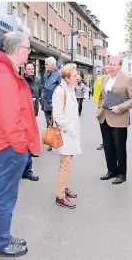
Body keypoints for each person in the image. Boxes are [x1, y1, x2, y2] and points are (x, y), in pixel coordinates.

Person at [0, 32, 41, 257]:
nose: (29, 52)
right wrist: (21, 146)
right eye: (28, 48)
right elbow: (10, 116)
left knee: (5, 195)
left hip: (1, 143)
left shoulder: (0, 69)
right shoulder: (3, 73)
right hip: (6, 146)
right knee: (5, 196)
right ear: (18, 49)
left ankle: (1, 236)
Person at [97, 56, 132, 185]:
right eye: (109, 64)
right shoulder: (104, 78)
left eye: (114, 64)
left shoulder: (127, 79)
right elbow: (101, 96)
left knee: (119, 147)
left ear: (120, 65)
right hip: (104, 117)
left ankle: (121, 174)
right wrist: (99, 109)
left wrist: (119, 107)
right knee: (108, 146)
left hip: (119, 118)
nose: (111, 66)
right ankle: (111, 171)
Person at [52, 63, 82, 209]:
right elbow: (58, 114)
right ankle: (60, 196)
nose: (78, 77)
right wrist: (69, 129)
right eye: (75, 76)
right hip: (65, 134)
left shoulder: (69, 89)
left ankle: (63, 188)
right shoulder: (60, 91)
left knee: (68, 163)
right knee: (65, 164)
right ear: (67, 77)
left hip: (71, 134)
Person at [21, 63, 40, 182]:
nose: (31, 71)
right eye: (29, 69)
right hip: (23, 116)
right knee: (25, 143)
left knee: (29, 141)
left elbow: (40, 94)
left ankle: (26, 170)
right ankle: (26, 171)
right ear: (24, 71)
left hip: (33, 114)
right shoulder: (21, 81)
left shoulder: (36, 81)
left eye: (32, 69)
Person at [41, 57, 61, 151]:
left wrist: (57, 102)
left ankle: (58, 141)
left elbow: (61, 89)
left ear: (52, 65)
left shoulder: (58, 74)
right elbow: (45, 87)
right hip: (45, 102)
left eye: (46, 64)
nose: (45, 66)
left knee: (56, 122)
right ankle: (50, 142)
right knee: (48, 123)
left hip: (53, 103)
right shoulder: (46, 74)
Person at [93, 64, 110, 151]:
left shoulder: (115, 79)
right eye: (106, 68)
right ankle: (105, 143)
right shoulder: (100, 79)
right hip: (102, 107)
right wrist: (99, 105)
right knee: (104, 125)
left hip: (113, 106)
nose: (108, 69)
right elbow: (96, 92)